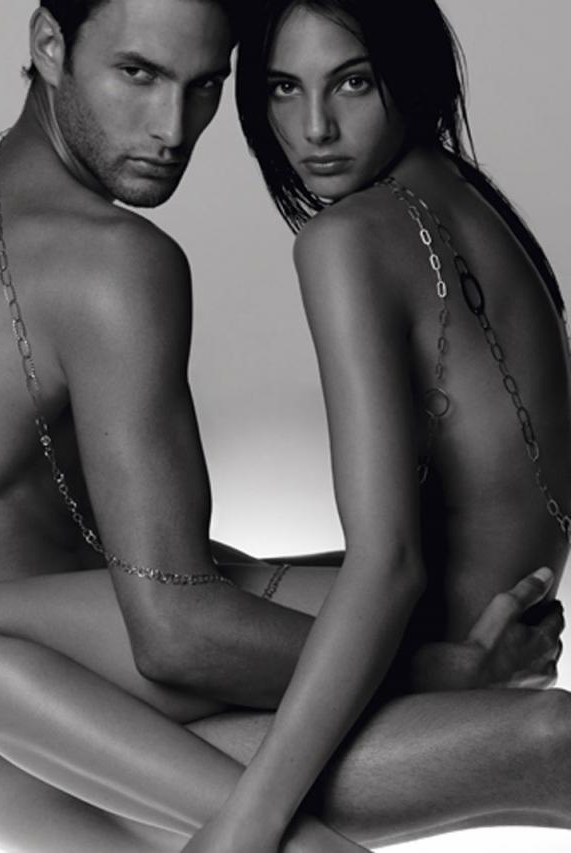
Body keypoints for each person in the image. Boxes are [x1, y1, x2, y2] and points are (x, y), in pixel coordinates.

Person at [0, 1, 565, 851]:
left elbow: (150, 583)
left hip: (9, 744)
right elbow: (171, 617)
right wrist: (425, 668)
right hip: (61, 726)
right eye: (138, 73)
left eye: (204, 86)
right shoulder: (109, 260)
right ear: (49, 44)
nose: (173, 129)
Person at [179, 0, 571, 850]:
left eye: (352, 83)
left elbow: (389, 566)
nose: (314, 128)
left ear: (411, 72)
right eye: (283, 88)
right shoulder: (467, 198)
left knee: (26, 722)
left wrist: (247, 824)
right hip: (490, 621)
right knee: (179, 579)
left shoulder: (350, 238)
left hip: (439, 656)